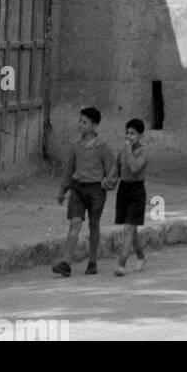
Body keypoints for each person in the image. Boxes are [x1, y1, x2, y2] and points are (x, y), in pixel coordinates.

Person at [52, 106, 118, 276]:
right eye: (80, 121)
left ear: (94, 126)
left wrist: (107, 184)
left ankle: (93, 261)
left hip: (96, 190)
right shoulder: (76, 146)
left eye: (84, 122)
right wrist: (62, 190)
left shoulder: (102, 147)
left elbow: (111, 170)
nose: (80, 124)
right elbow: (68, 170)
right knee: (75, 223)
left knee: (93, 224)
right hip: (77, 189)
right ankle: (66, 262)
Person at [113, 117, 149, 276]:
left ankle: (122, 263)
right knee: (130, 229)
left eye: (132, 134)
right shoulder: (122, 151)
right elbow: (117, 168)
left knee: (129, 228)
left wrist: (128, 151)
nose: (128, 137)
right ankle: (141, 256)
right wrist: (108, 180)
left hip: (137, 190)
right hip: (123, 189)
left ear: (140, 135)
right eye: (127, 133)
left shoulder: (143, 151)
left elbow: (135, 167)